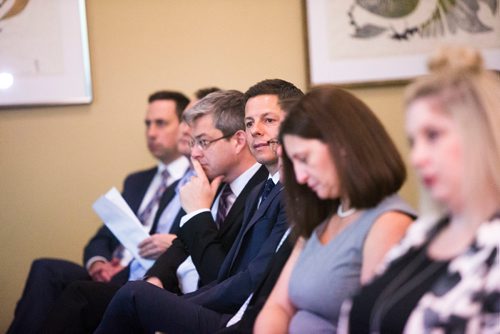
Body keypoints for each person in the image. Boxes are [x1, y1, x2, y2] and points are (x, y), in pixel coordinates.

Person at [44, 89, 268, 333]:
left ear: (237, 140)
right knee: (82, 292)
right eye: (193, 143)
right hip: (178, 289)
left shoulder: (263, 190)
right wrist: (155, 279)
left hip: (215, 308)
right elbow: (182, 244)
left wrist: (197, 214)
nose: (194, 153)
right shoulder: (216, 182)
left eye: (203, 142)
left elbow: (222, 278)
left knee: (104, 295)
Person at [93, 79, 303, 334]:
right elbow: (227, 272)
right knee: (127, 293)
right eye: (249, 123)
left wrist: (180, 302)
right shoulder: (261, 190)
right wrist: (161, 289)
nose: (255, 131)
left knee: (132, 295)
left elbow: (251, 279)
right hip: (220, 304)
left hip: (244, 319)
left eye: (268, 120)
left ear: (296, 124)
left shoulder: (294, 193)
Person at [338, 46, 500, 333]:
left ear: (482, 133)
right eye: (413, 142)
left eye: (433, 135)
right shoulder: (421, 233)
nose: (417, 157)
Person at [7, 90, 190, 334]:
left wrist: (122, 271)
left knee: (74, 297)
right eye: (147, 124)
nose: (151, 133)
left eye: (161, 123)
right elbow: (103, 236)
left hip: (143, 279)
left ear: (185, 127)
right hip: (108, 274)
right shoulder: (137, 181)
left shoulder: (195, 182)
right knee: (45, 269)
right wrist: (98, 263)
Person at [254, 85, 417, 333]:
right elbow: (278, 306)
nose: (299, 176)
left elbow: (370, 324)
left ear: (344, 148)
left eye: (304, 159)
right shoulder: (322, 215)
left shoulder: (389, 222)